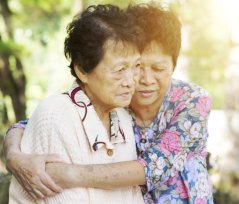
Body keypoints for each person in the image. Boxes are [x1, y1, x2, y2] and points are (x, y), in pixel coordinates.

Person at [4, 3, 214, 204]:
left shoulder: (191, 100)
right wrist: (14, 156)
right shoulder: (115, 96)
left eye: (158, 68)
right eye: (138, 66)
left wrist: (69, 173)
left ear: (173, 65)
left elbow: (154, 167)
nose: (144, 79)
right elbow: (41, 121)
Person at [7, 4, 145, 204]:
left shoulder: (121, 116)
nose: (131, 80)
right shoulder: (56, 114)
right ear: (82, 71)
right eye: (119, 69)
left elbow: (132, 195)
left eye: (136, 66)